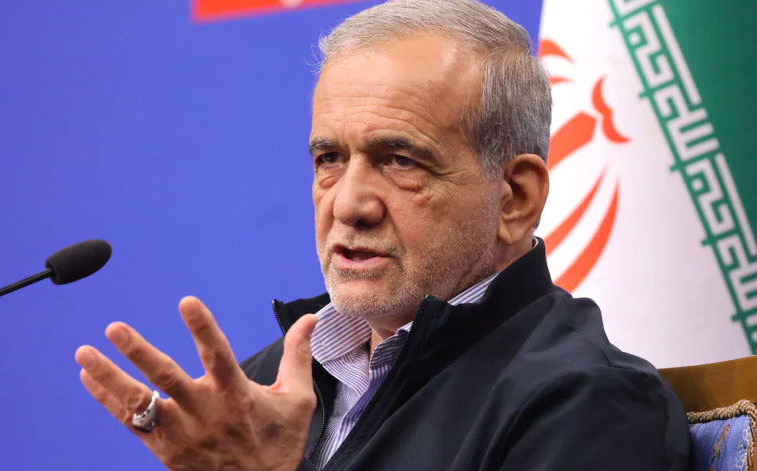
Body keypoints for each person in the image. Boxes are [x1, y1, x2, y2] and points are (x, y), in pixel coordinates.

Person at [74, 0, 691, 469]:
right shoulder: (263, 386)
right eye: (329, 159)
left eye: (400, 160)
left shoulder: (590, 404)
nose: (348, 204)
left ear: (516, 198)